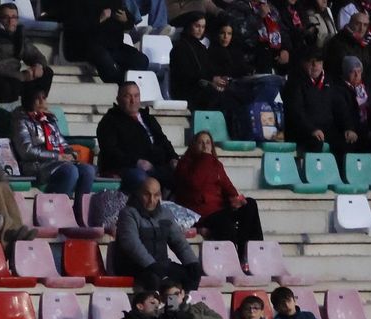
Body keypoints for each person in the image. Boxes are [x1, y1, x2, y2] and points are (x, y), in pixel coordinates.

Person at [172, 130, 264, 259]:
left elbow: (228, 187)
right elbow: (195, 183)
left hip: (219, 209)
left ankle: (251, 253)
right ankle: (235, 259)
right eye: (201, 142)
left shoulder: (216, 164)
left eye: (208, 143)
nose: (205, 146)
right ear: (193, 145)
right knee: (226, 225)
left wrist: (237, 199)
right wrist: (205, 158)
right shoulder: (185, 164)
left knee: (250, 204)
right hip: (201, 213)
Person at [13, 85, 95, 222]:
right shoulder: (21, 120)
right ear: (28, 100)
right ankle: (53, 214)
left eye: (43, 98)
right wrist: (57, 156)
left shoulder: (49, 119)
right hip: (36, 165)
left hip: (57, 162)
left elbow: (62, 143)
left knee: (88, 170)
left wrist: (71, 154)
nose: (41, 102)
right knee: (70, 171)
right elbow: (26, 151)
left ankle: (79, 216)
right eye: (36, 99)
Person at [114, 177, 202, 291]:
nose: (151, 200)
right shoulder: (128, 213)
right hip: (136, 266)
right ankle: (155, 307)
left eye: (156, 195)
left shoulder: (165, 214)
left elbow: (179, 242)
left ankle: (182, 304)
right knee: (155, 279)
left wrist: (192, 263)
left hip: (161, 265)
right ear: (139, 194)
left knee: (191, 275)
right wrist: (151, 265)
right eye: (147, 195)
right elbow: (131, 244)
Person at [96, 80, 179, 191]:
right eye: (128, 96)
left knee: (185, 175)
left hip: (157, 164)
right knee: (141, 179)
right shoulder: (109, 121)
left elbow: (163, 140)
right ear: (118, 100)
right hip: (127, 167)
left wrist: (173, 158)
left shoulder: (148, 118)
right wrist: (136, 162)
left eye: (136, 96)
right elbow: (110, 151)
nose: (133, 100)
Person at [282, 52, 358, 155]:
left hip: (326, 131)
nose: (315, 66)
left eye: (318, 62)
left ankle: (340, 171)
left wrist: (349, 128)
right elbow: (296, 112)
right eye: (311, 62)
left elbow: (341, 109)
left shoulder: (330, 83)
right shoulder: (295, 83)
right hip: (304, 132)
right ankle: (316, 171)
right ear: (303, 63)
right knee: (316, 143)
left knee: (348, 142)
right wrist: (311, 130)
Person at [0, 2, 52, 105]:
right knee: (9, 85)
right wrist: (22, 76)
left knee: (47, 72)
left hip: (17, 77)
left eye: (14, 17)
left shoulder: (18, 35)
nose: (10, 21)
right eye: (6, 17)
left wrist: (38, 66)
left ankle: (38, 104)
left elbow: (37, 56)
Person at [65, 0, 150, 84]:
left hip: (115, 46)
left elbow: (130, 22)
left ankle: (128, 88)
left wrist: (126, 19)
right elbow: (74, 27)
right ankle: (121, 87)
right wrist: (100, 19)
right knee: (105, 59)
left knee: (142, 61)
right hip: (88, 45)